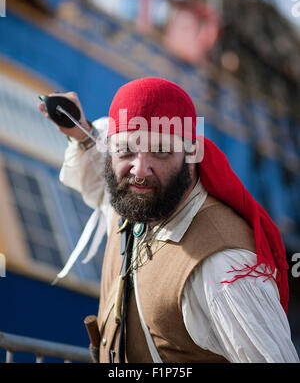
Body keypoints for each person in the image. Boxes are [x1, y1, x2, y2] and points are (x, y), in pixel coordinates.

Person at [39, 78, 299, 363]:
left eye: (160, 151)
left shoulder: (223, 267)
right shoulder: (136, 198)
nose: (139, 170)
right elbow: (98, 164)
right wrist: (83, 132)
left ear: (191, 155)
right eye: (126, 151)